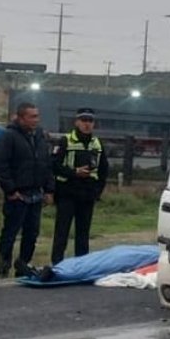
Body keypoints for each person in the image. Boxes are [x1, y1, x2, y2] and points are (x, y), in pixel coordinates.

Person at [0, 102, 55, 278]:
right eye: (32, 116)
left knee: (32, 234)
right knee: (10, 233)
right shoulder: (9, 136)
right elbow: (0, 165)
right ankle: (3, 267)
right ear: (21, 118)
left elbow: (46, 164)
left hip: (36, 194)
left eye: (37, 116)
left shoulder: (40, 137)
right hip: (17, 195)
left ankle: (23, 266)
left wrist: (49, 189)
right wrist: (11, 191)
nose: (36, 120)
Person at [50, 108, 110, 264]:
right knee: (61, 233)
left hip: (87, 195)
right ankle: (57, 265)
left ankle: (81, 265)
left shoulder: (97, 144)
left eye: (90, 121)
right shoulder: (66, 141)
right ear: (76, 122)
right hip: (67, 194)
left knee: (83, 235)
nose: (87, 124)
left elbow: (104, 170)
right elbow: (54, 166)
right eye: (84, 121)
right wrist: (74, 172)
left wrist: (97, 192)